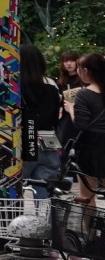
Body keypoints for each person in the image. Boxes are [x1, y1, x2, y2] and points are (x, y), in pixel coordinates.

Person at [20, 44, 63, 199]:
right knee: (44, 189)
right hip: (49, 139)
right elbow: (56, 116)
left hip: (25, 140)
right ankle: (45, 215)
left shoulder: (15, 85)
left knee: (16, 187)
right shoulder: (51, 83)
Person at [65, 52, 105, 205]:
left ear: (86, 71)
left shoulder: (84, 94)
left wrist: (71, 109)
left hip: (90, 149)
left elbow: (81, 124)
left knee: (87, 198)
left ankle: (91, 223)